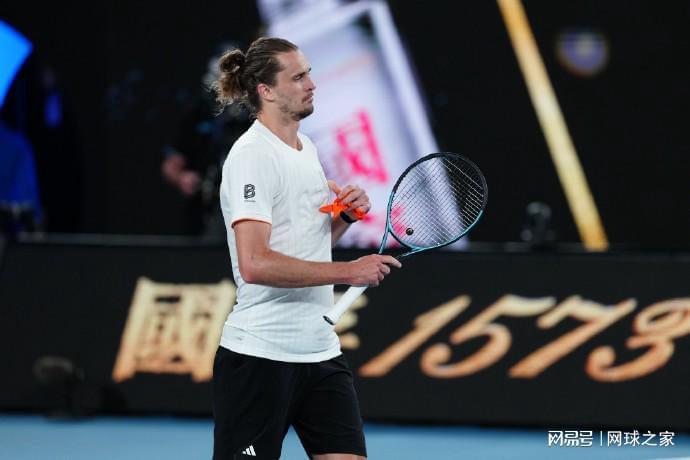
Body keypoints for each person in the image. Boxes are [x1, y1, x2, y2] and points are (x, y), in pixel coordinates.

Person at [212, 37, 401, 460]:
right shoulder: (252, 156)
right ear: (266, 90)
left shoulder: (307, 149)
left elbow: (307, 247)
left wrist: (344, 218)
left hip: (319, 352)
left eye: (309, 73)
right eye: (297, 77)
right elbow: (255, 263)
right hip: (260, 357)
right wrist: (349, 271)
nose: (311, 84)